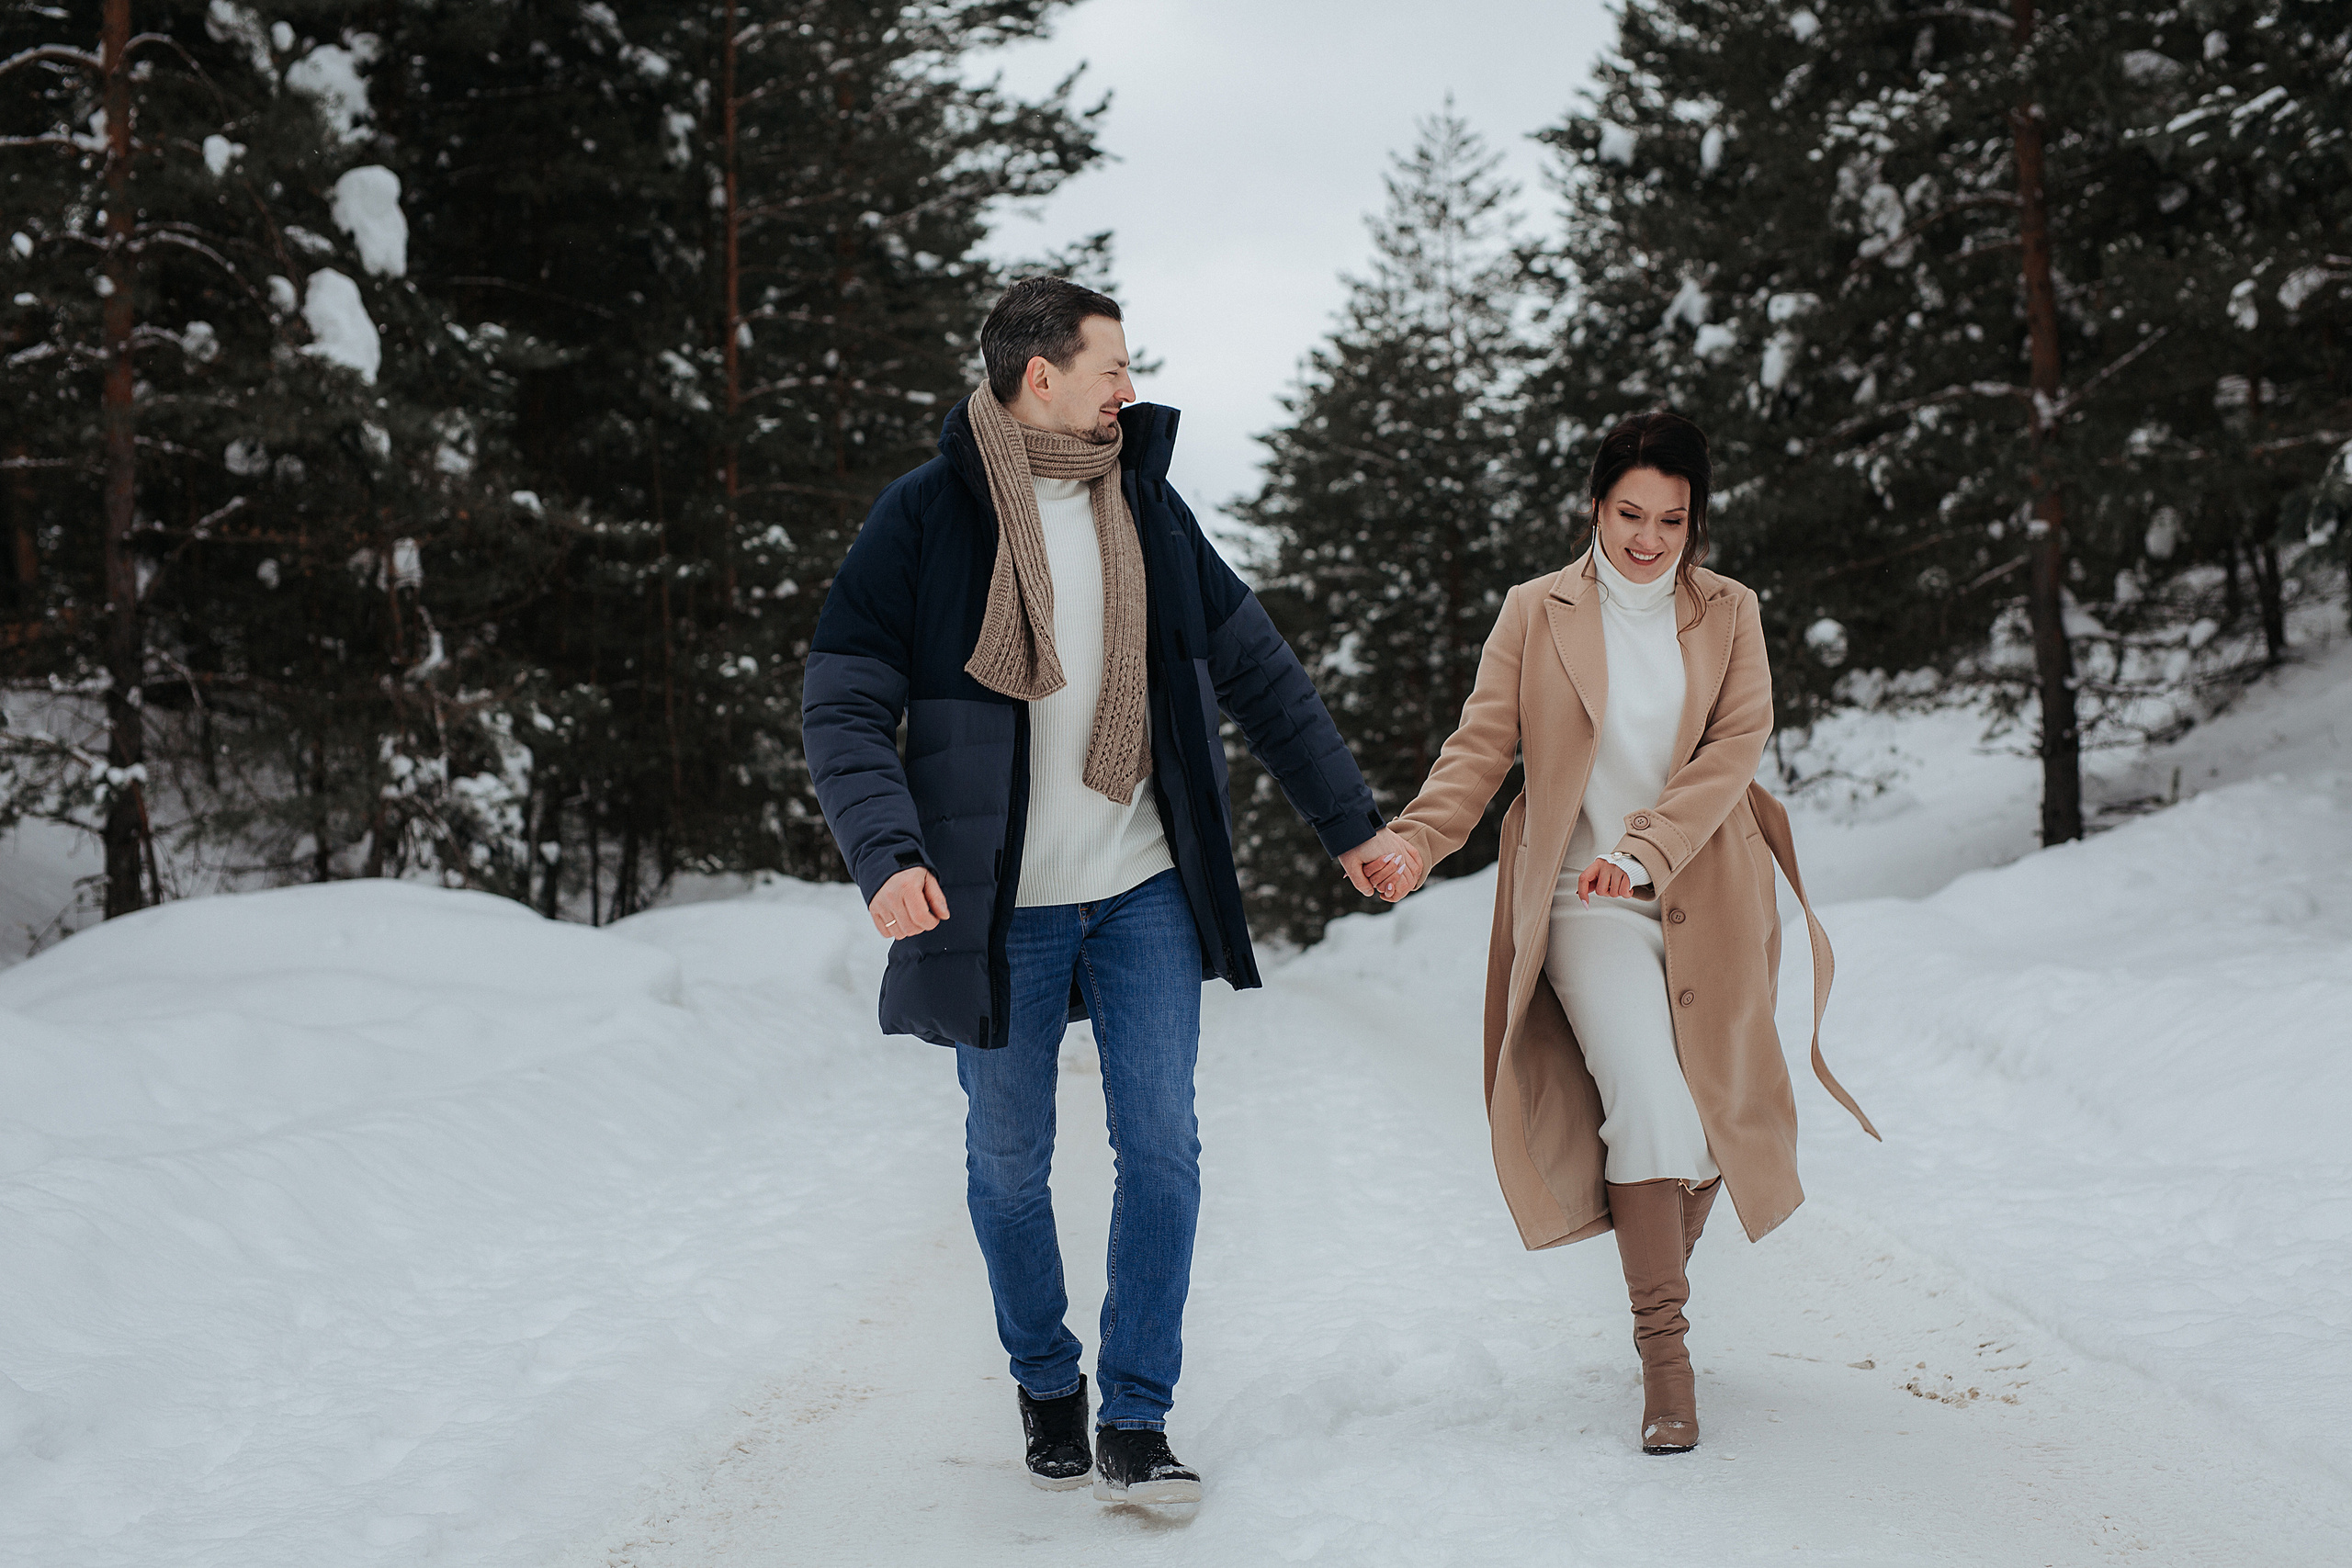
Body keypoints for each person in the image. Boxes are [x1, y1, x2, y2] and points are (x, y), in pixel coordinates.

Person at [800, 276, 1413, 1504]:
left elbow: (1264, 675)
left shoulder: (1148, 507)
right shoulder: (925, 521)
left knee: (1164, 1150)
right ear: (1042, 376)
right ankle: (1045, 1376)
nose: (1130, 388)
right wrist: (891, 854)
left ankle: (1138, 1409)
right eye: (1111, 366)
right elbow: (844, 701)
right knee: (1009, 1159)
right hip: (999, 907)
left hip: (1141, 888)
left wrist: (1352, 824)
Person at [1379, 410, 1879, 1454]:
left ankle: (1656, 1263)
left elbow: (1733, 747)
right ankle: (1665, 1354)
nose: (1647, 540)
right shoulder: (1537, 611)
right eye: (1628, 514)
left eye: (1671, 519)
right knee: (1650, 1102)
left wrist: (1649, 847)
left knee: (1702, 1121)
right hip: (1579, 897)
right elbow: (1480, 749)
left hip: (1708, 891)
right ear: (1594, 506)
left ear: (1695, 522)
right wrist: (1416, 844)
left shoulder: (1729, 611)